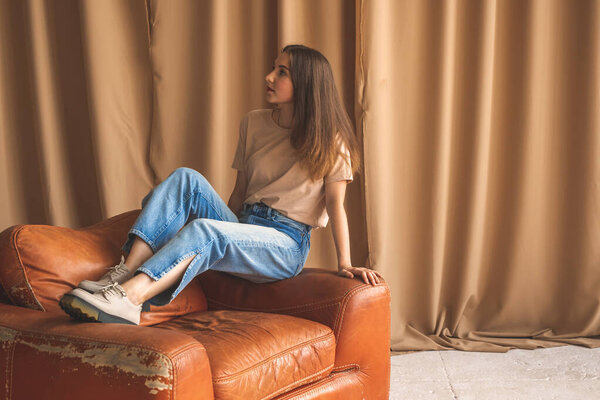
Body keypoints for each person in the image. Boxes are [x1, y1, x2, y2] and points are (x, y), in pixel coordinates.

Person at [59, 44, 383, 325]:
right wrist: (229, 231)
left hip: (285, 244)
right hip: (246, 226)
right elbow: (240, 192)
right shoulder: (254, 123)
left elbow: (335, 206)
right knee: (187, 178)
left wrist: (345, 263)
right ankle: (124, 273)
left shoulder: (331, 140)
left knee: (205, 230)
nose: (269, 77)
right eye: (274, 68)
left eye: (282, 72)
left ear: (306, 84)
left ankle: (129, 299)